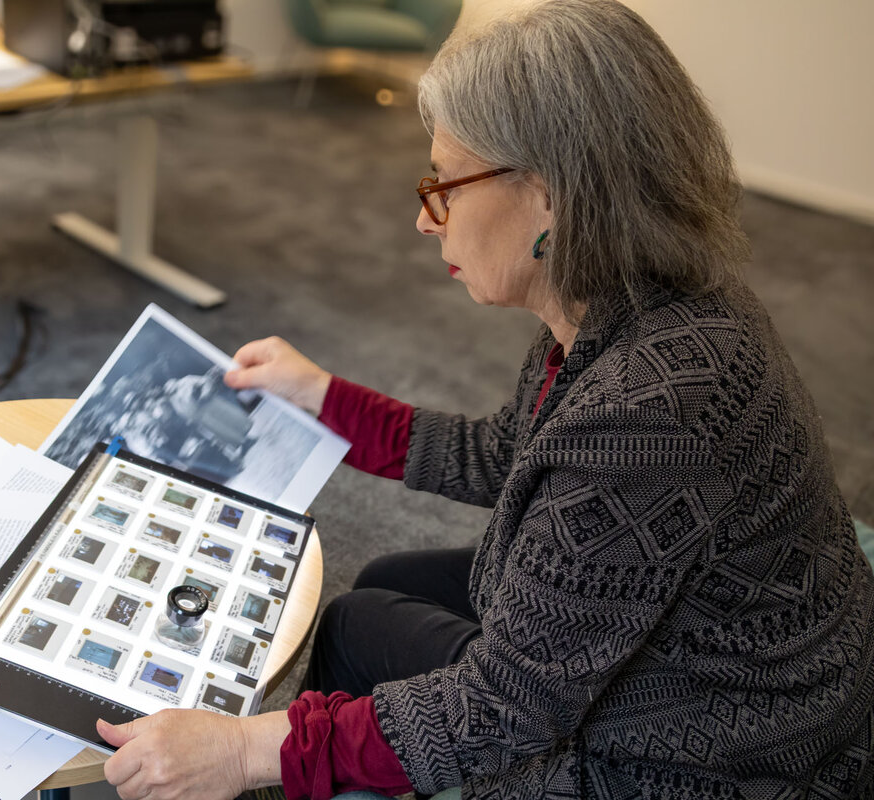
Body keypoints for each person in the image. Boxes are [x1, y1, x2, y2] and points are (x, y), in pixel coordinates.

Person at [94, 0, 874, 797]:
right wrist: (323, 396)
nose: (425, 220)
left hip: (715, 750)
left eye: (445, 184)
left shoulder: (645, 418)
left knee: (354, 625)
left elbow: (503, 710)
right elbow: (507, 453)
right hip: (743, 658)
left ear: (550, 198)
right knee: (390, 574)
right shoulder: (630, 300)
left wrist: (247, 751)